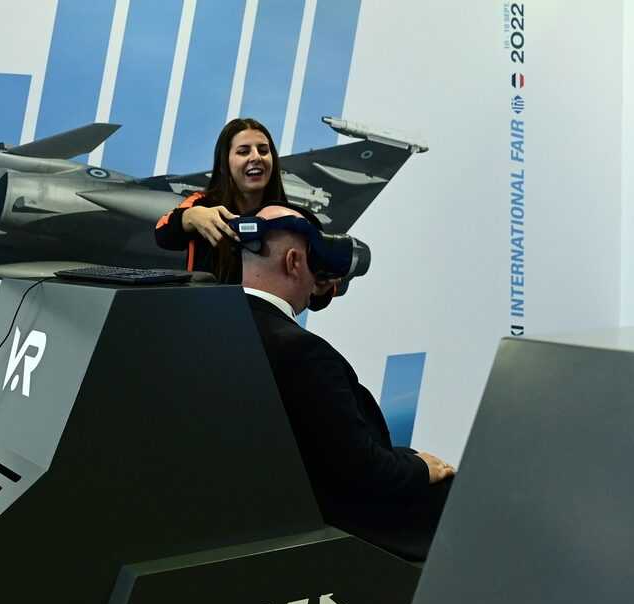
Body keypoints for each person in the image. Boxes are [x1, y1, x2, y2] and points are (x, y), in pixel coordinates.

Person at [240, 204, 455, 561]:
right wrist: (421, 468)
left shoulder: (217, 328)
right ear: (294, 262)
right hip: (341, 524)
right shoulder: (302, 351)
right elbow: (362, 470)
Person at [155, 118, 288, 283]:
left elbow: (311, 289)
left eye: (263, 150)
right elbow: (162, 235)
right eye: (243, 152)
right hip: (207, 300)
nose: (256, 157)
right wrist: (190, 217)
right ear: (224, 162)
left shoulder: (290, 216)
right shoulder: (202, 204)